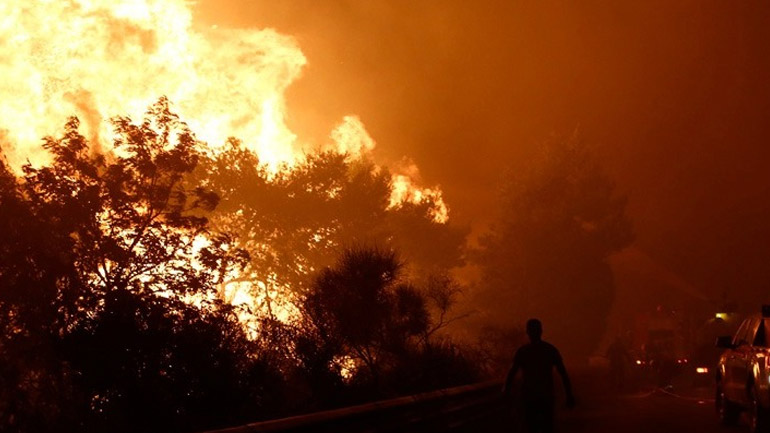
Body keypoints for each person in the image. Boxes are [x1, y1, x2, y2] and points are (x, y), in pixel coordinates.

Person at [503, 318, 575, 433]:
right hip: (546, 396)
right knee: (547, 427)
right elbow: (563, 374)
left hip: (529, 397)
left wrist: (506, 391)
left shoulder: (523, 351)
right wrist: (569, 395)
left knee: (531, 427)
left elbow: (512, 373)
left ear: (527, 332)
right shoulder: (550, 350)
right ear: (541, 331)